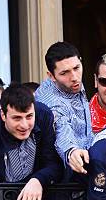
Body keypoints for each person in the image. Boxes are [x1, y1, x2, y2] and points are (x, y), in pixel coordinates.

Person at [34, 41, 92, 177]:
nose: (74, 77)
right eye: (64, 73)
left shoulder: (71, 83)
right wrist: (71, 151)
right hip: (61, 179)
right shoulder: (50, 100)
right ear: (51, 76)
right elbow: (60, 127)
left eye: (76, 68)